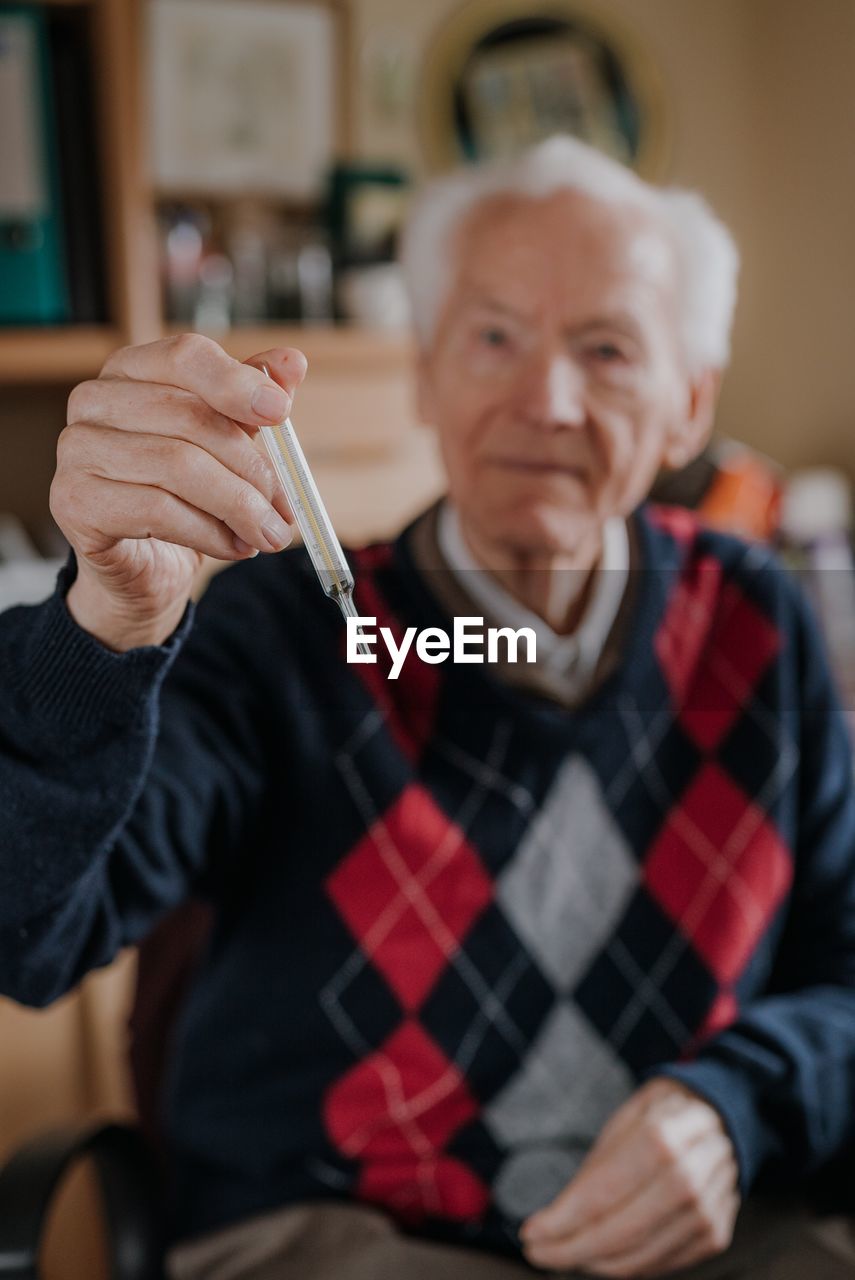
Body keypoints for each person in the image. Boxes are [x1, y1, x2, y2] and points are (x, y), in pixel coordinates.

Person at [2, 136, 854, 1280]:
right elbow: (31, 931)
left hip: (703, 1237)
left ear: (689, 404)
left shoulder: (761, 619)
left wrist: (734, 1107)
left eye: (605, 348)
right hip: (340, 1231)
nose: (546, 398)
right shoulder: (285, 629)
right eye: (494, 336)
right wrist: (103, 624)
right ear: (425, 376)